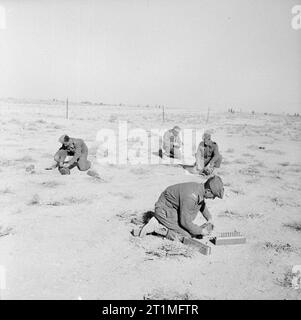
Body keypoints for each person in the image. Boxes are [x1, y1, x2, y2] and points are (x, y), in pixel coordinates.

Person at [138, 175, 224, 242]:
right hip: (164, 211)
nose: (213, 198)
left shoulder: (199, 189)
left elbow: (202, 204)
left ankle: (162, 222)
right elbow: (185, 222)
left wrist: (209, 218)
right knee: (186, 236)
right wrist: (201, 231)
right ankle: (157, 227)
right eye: (214, 196)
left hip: (172, 209)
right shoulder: (191, 196)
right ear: (208, 191)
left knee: (192, 231)